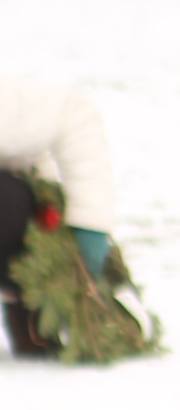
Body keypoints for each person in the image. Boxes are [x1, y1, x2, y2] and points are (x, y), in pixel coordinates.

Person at [0, 74, 121, 355]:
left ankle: (29, 299)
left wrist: (89, 225)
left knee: (7, 202)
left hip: (18, 208)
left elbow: (73, 112)